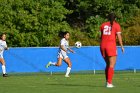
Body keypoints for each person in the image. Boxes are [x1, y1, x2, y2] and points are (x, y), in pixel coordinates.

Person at [100, 13, 124, 88]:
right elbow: (119, 37)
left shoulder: (103, 25)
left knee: (108, 64)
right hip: (111, 46)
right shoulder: (116, 25)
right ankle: (109, 83)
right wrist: (122, 46)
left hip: (102, 45)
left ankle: (107, 82)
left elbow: (100, 36)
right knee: (112, 64)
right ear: (115, 18)